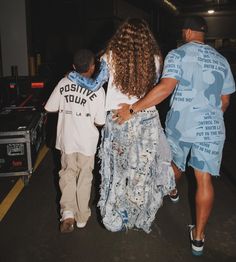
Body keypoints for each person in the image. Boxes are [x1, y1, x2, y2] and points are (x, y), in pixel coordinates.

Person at [115, 16, 236, 255]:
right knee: (204, 180)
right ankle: (198, 237)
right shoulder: (222, 61)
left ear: (189, 32)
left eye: (183, 31)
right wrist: (209, 116)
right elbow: (225, 101)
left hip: (181, 125)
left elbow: (165, 88)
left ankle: (171, 190)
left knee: (172, 164)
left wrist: (132, 109)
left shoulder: (178, 55)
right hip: (211, 129)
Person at [68, 18, 176, 233]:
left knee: (116, 172)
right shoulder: (155, 59)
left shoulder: (110, 57)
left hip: (118, 120)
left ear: (121, 36)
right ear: (147, 38)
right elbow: (156, 90)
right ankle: (140, 217)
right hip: (146, 119)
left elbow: (94, 85)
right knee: (142, 172)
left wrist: (71, 75)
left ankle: (115, 219)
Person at [44, 49, 106, 233]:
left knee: (67, 174)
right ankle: (81, 217)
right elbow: (100, 121)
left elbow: (50, 107)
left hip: (67, 139)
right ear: (93, 67)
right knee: (85, 177)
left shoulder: (64, 83)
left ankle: (68, 213)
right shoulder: (98, 90)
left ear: (73, 67)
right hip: (87, 142)